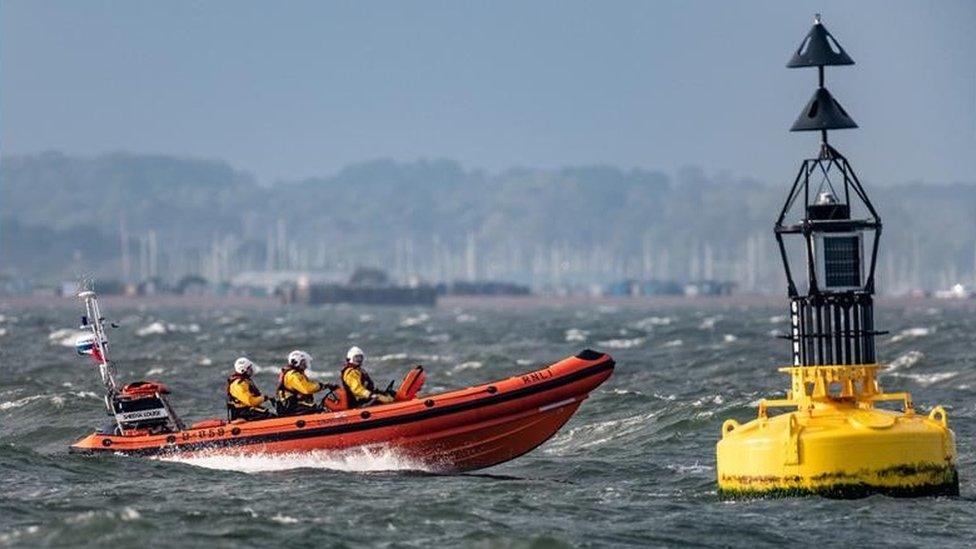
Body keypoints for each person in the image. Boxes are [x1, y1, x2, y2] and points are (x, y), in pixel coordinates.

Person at [276, 350, 336, 415]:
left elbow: (307, 384)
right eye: (303, 362)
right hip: (290, 406)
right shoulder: (293, 375)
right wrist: (322, 386)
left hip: (294, 403)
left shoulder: (297, 373)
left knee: (317, 407)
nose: (306, 364)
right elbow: (306, 389)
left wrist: (324, 385)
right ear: (297, 362)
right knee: (320, 410)